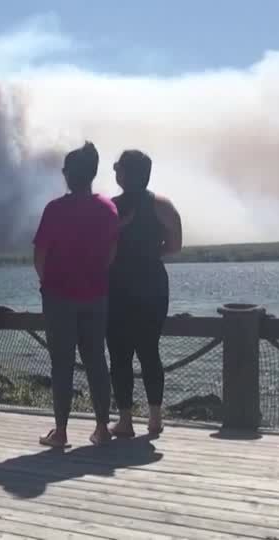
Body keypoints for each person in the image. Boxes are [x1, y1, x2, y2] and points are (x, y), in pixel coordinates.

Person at [33, 141, 121, 448]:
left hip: (59, 297)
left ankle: (61, 430)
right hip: (96, 296)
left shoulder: (55, 209)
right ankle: (101, 427)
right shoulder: (108, 209)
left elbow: (40, 254)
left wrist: (48, 283)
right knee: (97, 360)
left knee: (62, 364)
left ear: (69, 174)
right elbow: (111, 252)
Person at [105, 149, 182, 437]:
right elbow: (175, 245)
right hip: (153, 284)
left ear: (125, 173)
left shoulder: (110, 208)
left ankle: (125, 420)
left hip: (118, 287)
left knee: (119, 354)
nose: (115, 172)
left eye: (117, 168)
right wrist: (149, 254)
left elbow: (102, 249)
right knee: (150, 351)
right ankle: (155, 418)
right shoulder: (163, 206)